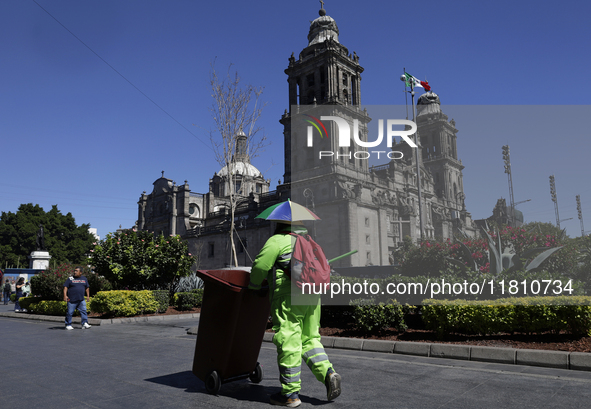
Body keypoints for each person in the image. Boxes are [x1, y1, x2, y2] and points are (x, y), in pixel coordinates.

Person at [248, 221, 341, 407]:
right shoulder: (308, 241)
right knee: (310, 339)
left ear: (280, 223)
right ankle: (328, 373)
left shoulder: (277, 240)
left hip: (288, 297)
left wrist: (254, 286)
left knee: (289, 340)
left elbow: (260, 266)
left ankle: (290, 394)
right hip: (313, 296)